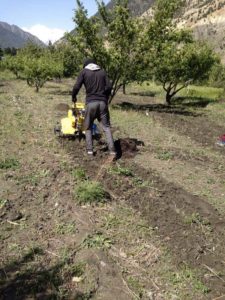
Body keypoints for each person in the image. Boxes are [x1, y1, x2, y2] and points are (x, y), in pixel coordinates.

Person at [72, 58, 116, 157]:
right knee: (106, 127)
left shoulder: (84, 72)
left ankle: (90, 151)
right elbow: (109, 87)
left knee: (87, 127)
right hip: (102, 103)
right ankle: (112, 151)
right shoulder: (102, 72)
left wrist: (73, 96)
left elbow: (76, 87)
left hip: (91, 103)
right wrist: (104, 95)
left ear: (86, 65)